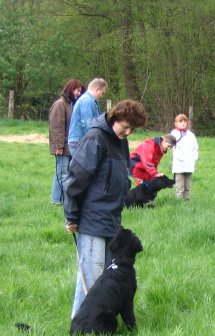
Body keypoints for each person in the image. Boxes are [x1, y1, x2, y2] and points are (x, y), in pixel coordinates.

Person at [64, 99, 147, 319]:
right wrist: (71, 216)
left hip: (112, 218)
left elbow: (120, 173)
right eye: (125, 126)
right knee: (89, 279)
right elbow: (76, 179)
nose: (128, 132)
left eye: (132, 129)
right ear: (114, 117)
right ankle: (79, 323)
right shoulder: (95, 138)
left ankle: (99, 322)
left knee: (106, 278)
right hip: (92, 218)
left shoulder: (120, 140)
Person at [48, 79, 85, 205]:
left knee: (66, 174)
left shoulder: (71, 105)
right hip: (62, 147)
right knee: (62, 174)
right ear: (70, 89)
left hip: (70, 147)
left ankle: (60, 199)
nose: (79, 93)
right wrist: (59, 146)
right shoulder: (60, 104)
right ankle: (58, 200)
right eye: (77, 90)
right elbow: (56, 128)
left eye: (80, 91)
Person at [67, 77, 108, 157]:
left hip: (82, 141)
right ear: (97, 89)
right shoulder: (87, 101)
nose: (102, 96)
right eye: (102, 93)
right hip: (79, 142)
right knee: (83, 169)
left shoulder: (92, 101)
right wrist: (96, 142)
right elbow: (88, 124)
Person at [170, 114, 199, 200]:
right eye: (180, 121)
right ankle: (179, 203)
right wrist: (181, 158)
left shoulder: (191, 135)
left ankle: (187, 201)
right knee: (179, 186)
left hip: (189, 164)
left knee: (188, 186)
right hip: (179, 165)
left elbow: (195, 148)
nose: (183, 123)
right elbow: (174, 148)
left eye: (184, 121)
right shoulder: (174, 134)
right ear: (176, 123)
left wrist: (194, 158)